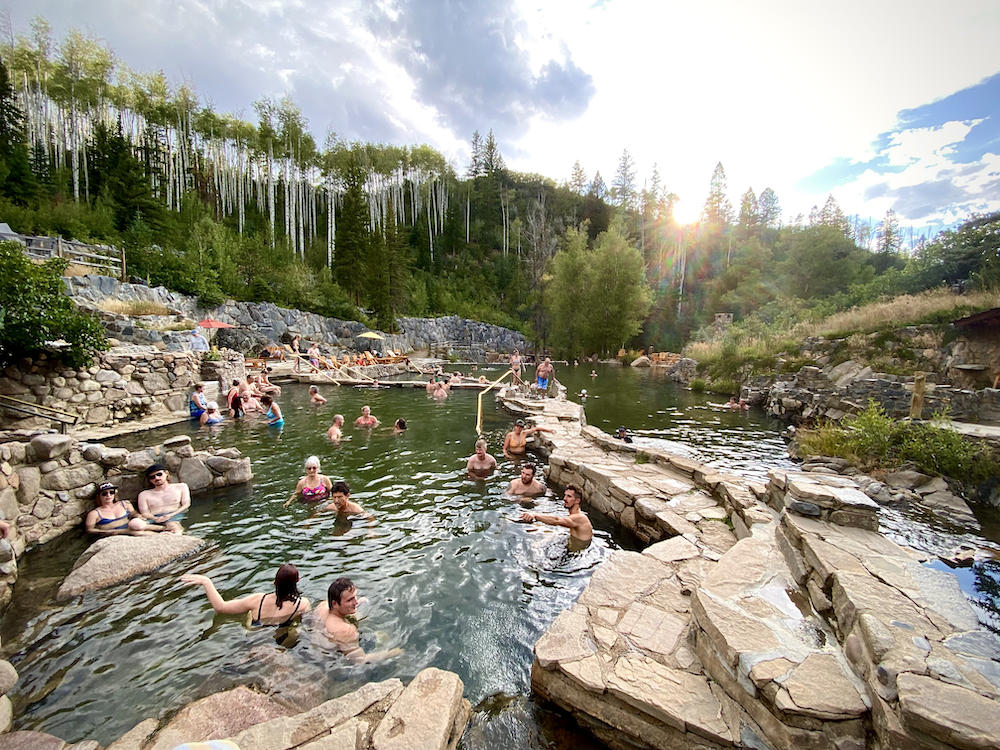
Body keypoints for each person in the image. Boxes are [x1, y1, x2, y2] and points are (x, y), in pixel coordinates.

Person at [181, 564, 311, 627]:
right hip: (277, 638)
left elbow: (220, 608)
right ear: (298, 581)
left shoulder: (257, 600)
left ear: (274, 582)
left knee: (249, 618)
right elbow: (307, 625)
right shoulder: (303, 604)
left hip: (254, 636)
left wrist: (206, 582)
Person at [315, 577, 401, 663]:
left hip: (316, 652)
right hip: (330, 661)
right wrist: (390, 654)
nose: (355, 602)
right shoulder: (345, 630)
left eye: (355, 597)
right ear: (334, 604)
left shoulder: (321, 607)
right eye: (350, 600)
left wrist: (359, 603)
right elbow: (360, 660)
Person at [520, 484, 593, 545]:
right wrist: (542, 542)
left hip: (577, 554)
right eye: (565, 495)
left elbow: (556, 520)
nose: (564, 498)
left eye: (569, 496)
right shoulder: (574, 517)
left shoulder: (580, 518)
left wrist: (535, 515)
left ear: (577, 501)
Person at [85, 482, 164, 536]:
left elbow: (133, 513)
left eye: (111, 492)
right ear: (99, 496)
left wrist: (138, 516)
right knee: (137, 533)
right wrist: (108, 532)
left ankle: (167, 530)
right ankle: (161, 537)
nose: (108, 495)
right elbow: (90, 530)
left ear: (115, 493)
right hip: (113, 532)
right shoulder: (94, 513)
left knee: (144, 526)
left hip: (131, 526)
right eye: (104, 494)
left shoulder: (124, 504)